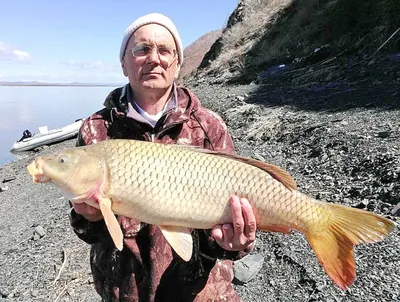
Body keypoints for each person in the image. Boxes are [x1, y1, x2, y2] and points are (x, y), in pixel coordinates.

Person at [69, 13, 257, 301]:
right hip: (126, 293)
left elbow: (230, 239)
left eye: (165, 50)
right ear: (123, 63)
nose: (154, 59)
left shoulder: (209, 127)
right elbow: (90, 232)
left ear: (177, 63)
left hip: (202, 293)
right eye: (141, 49)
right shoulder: (96, 130)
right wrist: (89, 218)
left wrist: (233, 243)